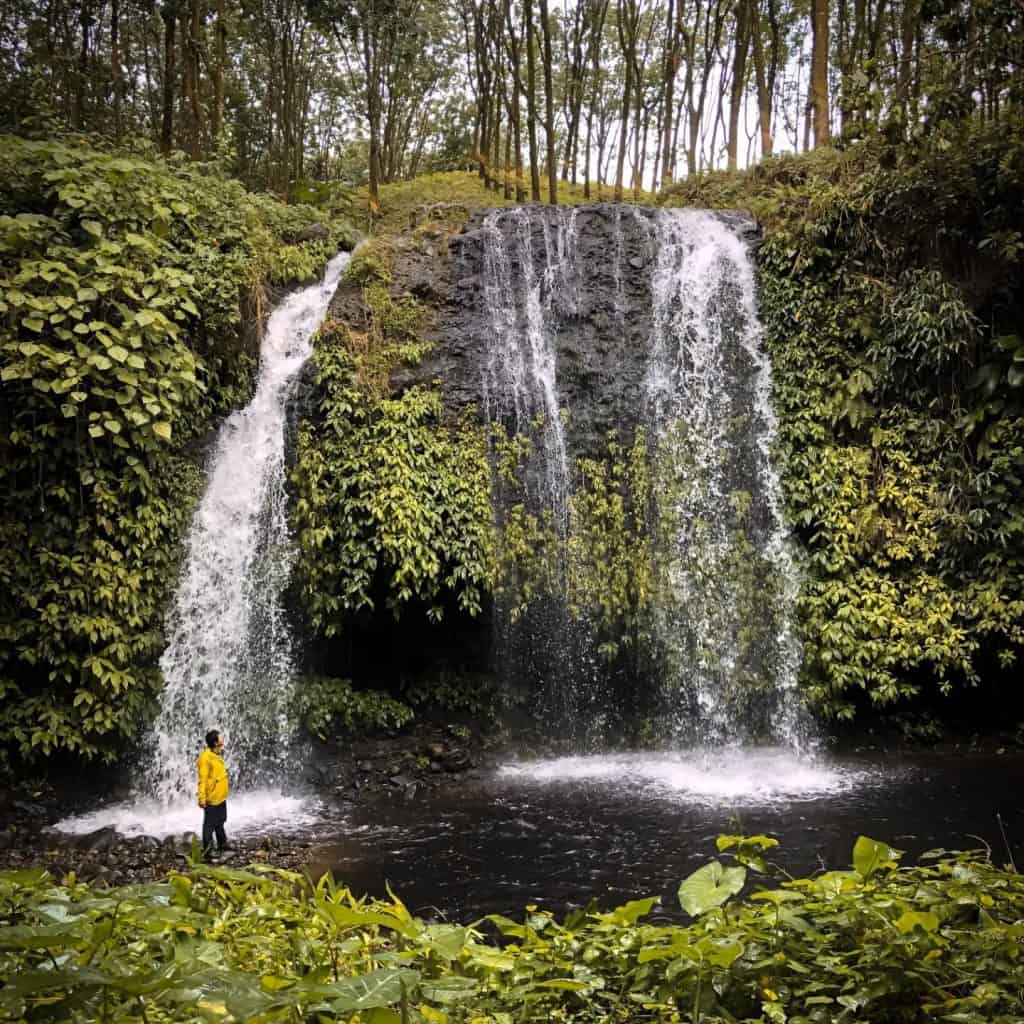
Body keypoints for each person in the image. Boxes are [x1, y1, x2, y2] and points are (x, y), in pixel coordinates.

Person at [197, 729, 229, 857]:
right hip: (212, 797)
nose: (222, 738)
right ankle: (208, 850)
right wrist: (202, 798)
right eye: (220, 737)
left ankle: (222, 843)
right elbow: (202, 780)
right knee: (209, 825)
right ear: (215, 742)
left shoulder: (217, 753)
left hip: (221, 796)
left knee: (220, 821)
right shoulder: (205, 758)